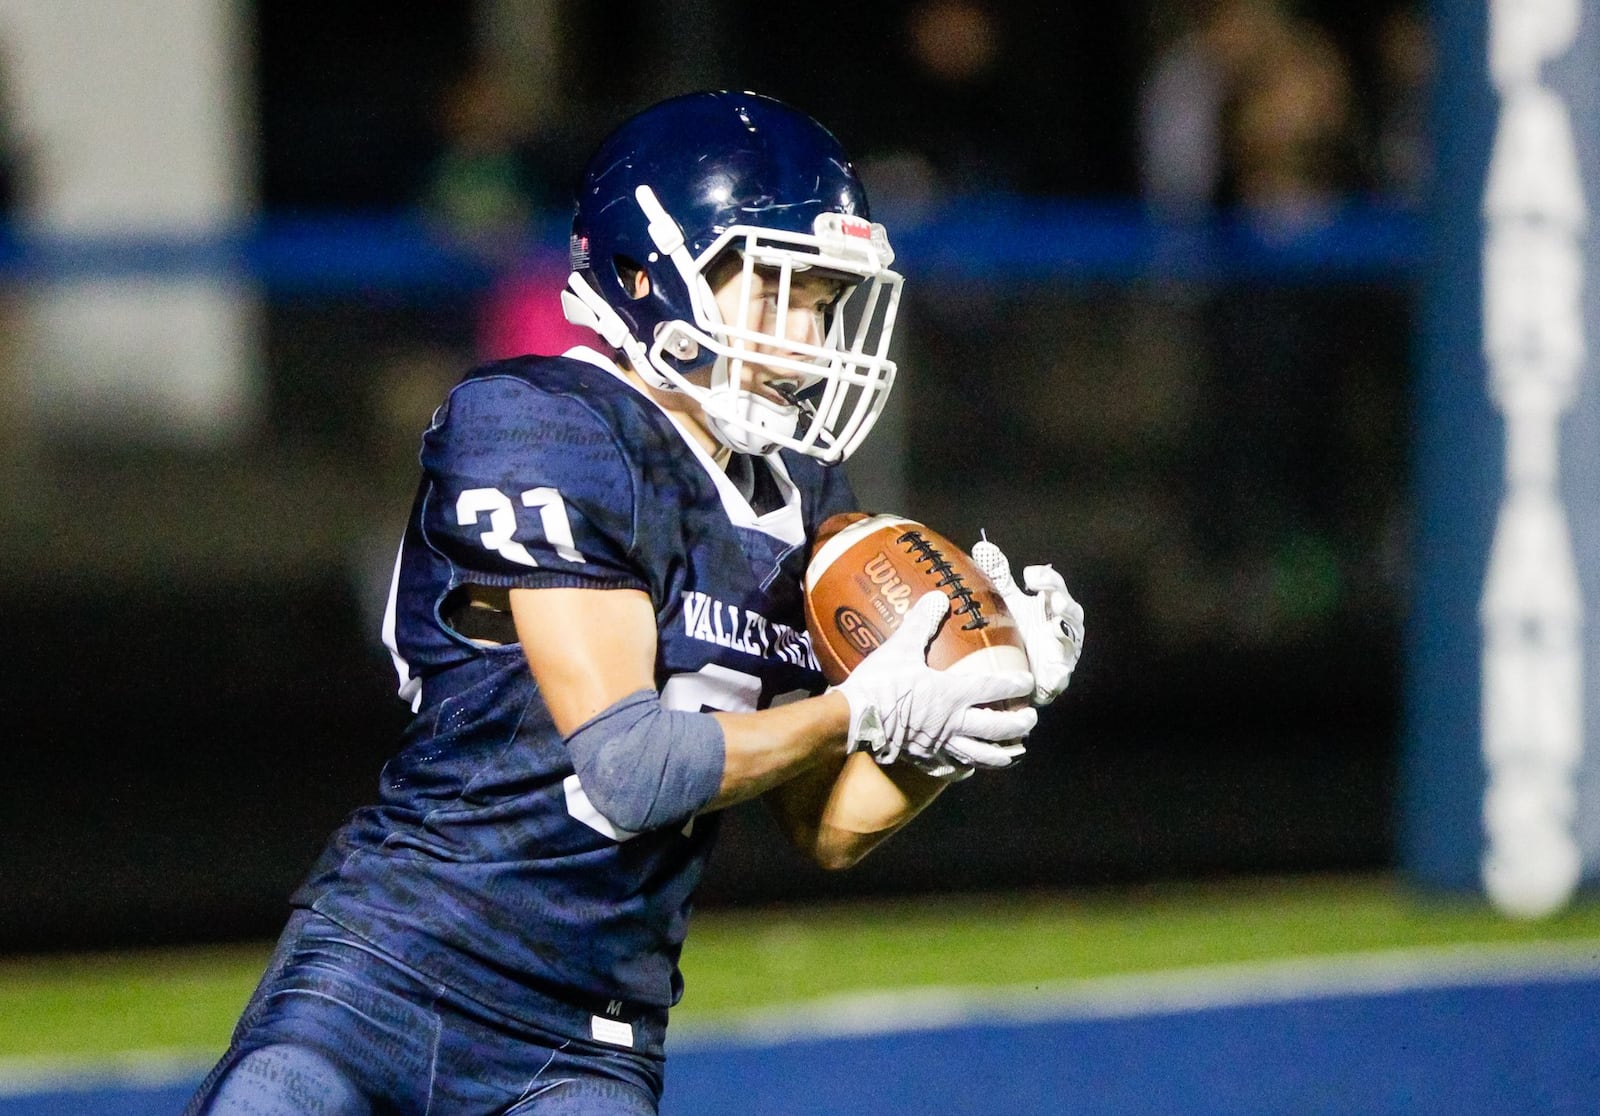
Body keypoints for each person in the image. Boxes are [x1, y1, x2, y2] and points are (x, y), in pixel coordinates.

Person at [184, 90, 1084, 1116]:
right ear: (649, 274)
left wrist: (956, 706)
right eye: (777, 291)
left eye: (823, 300)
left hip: (591, 1023)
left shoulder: (809, 505)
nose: (805, 335)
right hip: (393, 969)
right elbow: (630, 768)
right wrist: (861, 709)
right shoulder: (542, 425)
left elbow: (827, 828)